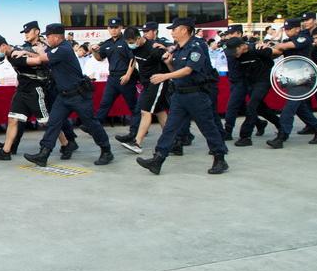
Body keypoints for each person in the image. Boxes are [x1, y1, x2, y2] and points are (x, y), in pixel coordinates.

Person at [136, 18, 229, 175]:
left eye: (174, 29)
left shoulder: (196, 47)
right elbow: (177, 71)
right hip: (180, 95)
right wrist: (169, 63)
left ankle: (220, 158)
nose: (172, 32)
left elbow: (188, 70)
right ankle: (158, 159)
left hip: (196, 95)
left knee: (208, 127)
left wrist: (164, 76)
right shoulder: (178, 49)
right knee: (170, 128)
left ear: (185, 30)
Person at [20, 24, 113, 167]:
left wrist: (32, 52)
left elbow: (42, 58)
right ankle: (44, 154)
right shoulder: (56, 49)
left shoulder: (64, 49)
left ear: (56, 37)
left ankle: (106, 151)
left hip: (78, 95)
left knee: (91, 124)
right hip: (63, 96)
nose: (46, 39)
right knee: (53, 123)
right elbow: (42, 57)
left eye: (48, 36)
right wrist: (29, 52)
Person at [0, 22, 75, 161]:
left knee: (46, 122)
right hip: (22, 90)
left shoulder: (17, 54)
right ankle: (6, 151)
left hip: (35, 90)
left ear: (3, 45)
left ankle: (66, 144)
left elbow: (39, 61)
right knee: (13, 119)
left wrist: (26, 53)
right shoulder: (16, 51)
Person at [263, 17, 317, 148]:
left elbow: (283, 46)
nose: (286, 31)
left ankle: (281, 137)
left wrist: (272, 45)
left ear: (297, 28)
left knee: (288, 109)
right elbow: (277, 51)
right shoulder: (290, 40)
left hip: (304, 78)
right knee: (301, 109)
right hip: (292, 78)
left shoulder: (304, 38)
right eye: (285, 29)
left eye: (289, 29)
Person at [120, 26, 169, 154]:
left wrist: (167, 49)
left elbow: (169, 58)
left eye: (131, 42)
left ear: (138, 38)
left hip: (157, 82)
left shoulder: (153, 48)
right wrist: (128, 74)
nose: (130, 45)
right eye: (128, 43)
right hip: (146, 84)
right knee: (159, 112)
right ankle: (172, 141)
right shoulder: (134, 48)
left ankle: (137, 143)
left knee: (145, 111)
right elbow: (133, 59)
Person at [223, 37, 280, 146]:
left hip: (263, 81)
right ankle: (281, 125)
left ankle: (245, 137)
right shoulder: (236, 56)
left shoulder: (258, 49)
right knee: (260, 108)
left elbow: (278, 52)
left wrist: (269, 47)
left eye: (234, 51)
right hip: (249, 82)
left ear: (242, 46)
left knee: (251, 106)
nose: (233, 54)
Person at [91, 17, 139, 142]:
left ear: (121, 28)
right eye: (111, 28)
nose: (113, 30)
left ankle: (135, 131)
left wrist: (128, 75)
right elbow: (99, 58)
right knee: (105, 103)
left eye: (116, 27)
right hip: (112, 78)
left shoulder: (126, 40)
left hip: (126, 77)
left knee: (133, 106)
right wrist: (93, 51)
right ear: (108, 29)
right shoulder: (106, 43)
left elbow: (133, 59)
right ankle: (95, 127)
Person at [220, 25, 247, 140]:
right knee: (243, 107)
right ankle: (260, 123)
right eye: (229, 34)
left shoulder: (245, 46)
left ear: (239, 34)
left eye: (232, 34)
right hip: (233, 79)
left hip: (243, 80)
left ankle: (228, 131)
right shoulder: (227, 45)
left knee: (232, 106)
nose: (229, 36)